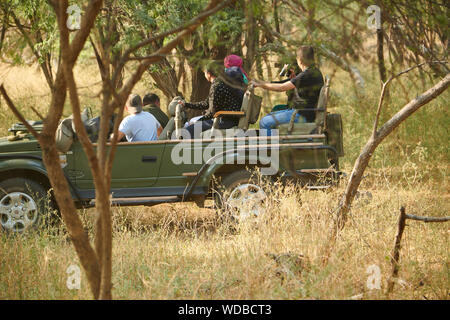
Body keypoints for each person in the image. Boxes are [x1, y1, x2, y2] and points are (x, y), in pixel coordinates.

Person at [253, 46, 324, 130]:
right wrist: (261, 83)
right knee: (269, 116)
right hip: (305, 112)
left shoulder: (307, 74)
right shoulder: (314, 71)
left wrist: (260, 85)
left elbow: (282, 87)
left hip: (302, 114)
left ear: (300, 60)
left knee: (264, 122)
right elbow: (285, 84)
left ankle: (271, 143)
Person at [182, 62, 244, 138]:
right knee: (192, 125)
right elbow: (206, 103)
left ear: (208, 74)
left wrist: (198, 122)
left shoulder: (217, 86)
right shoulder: (222, 83)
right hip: (228, 119)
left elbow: (212, 113)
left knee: (188, 130)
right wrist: (186, 104)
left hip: (225, 121)